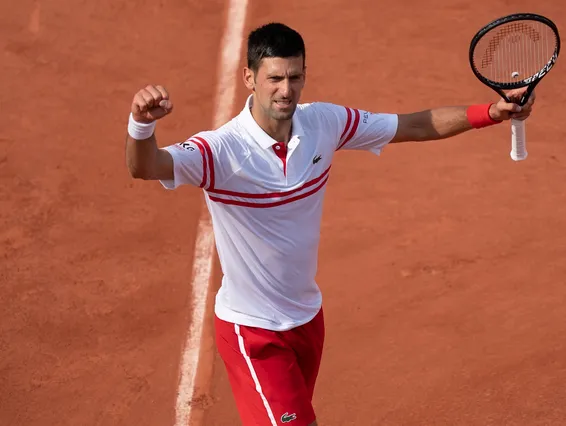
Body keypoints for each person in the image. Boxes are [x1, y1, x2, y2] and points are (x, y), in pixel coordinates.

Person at [125, 22, 535, 426]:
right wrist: (141, 124)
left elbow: (411, 125)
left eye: (294, 77)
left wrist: (491, 113)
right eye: (274, 79)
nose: (286, 90)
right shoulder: (221, 151)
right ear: (249, 78)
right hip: (253, 332)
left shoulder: (323, 123)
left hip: (307, 319)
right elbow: (146, 166)